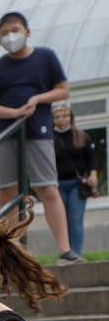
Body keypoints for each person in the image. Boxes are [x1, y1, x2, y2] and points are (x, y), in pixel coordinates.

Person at [0, 11, 83, 264]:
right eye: (4, 33)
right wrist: (14, 112)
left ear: (27, 31)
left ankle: (65, 251)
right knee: (7, 193)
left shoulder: (45, 56)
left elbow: (63, 89)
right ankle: (11, 252)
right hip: (5, 134)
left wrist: (37, 98)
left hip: (38, 132)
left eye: (15, 30)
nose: (10, 36)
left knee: (47, 187)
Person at [53, 103, 98, 257]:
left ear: (71, 117)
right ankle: (65, 253)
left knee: (74, 219)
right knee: (61, 221)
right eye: (57, 117)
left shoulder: (81, 136)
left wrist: (93, 175)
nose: (61, 120)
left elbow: (91, 159)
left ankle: (76, 254)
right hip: (57, 185)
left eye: (64, 116)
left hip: (77, 185)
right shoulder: (48, 139)